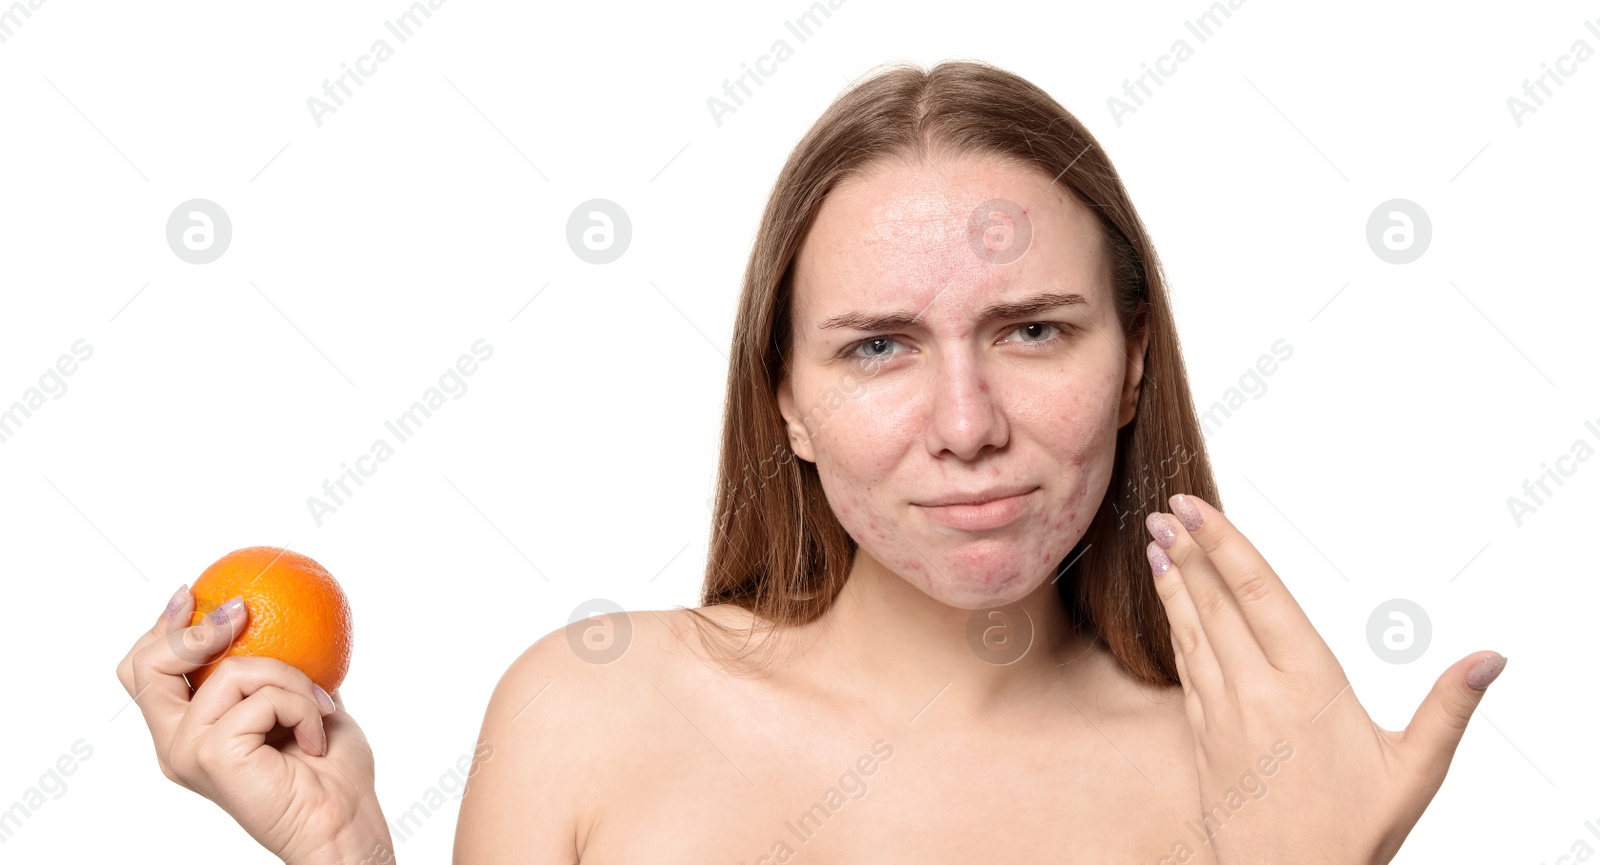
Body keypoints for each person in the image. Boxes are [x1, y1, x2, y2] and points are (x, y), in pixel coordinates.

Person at [117, 59, 1505, 864]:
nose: (966, 422)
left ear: (1134, 357)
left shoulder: (1261, 780)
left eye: (1032, 329)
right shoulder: (593, 711)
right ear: (781, 398)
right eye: (879, 348)